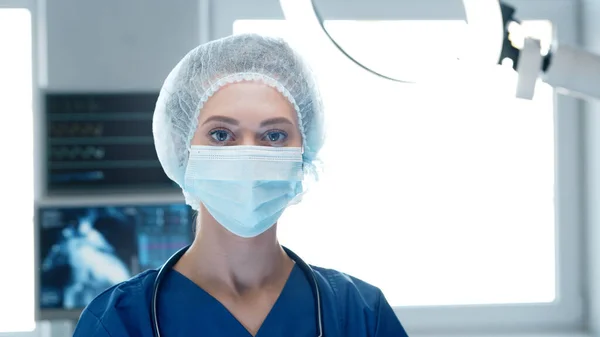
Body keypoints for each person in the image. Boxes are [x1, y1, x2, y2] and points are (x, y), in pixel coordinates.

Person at [72, 33, 409, 337]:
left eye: (274, 136)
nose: (249, 155)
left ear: (305, 153)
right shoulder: (120, 322)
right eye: (221, 135)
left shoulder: (359, 315)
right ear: (181, 149)